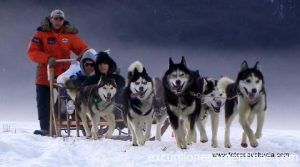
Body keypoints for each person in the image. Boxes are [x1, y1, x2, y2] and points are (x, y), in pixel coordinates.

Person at [27, 9, 90, 136]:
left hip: (64, 74)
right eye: (55, 18)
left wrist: (83, 55)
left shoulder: (69, 35)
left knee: (68, 98)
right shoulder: (40, 34)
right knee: (43, 101)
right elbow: (31, 52)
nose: (58, 21)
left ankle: (75, 121)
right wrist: (46, 58)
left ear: (63, 21)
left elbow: (83, 49)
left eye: (60, 19)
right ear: (50, 19)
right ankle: (46, 128)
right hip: (45, 74)